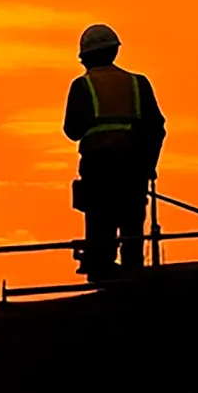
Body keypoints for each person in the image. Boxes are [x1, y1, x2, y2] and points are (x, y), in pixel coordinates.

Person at [62, 23, 166, 279]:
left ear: (85, 57)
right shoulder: (137, 83)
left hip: (99, 168)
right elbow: (157, 128)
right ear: (114, 52)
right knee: (132, 228)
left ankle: (102, 271)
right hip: (133, 167)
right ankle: (132, 276)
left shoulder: (82, 86)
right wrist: (149, 164)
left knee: (100, 226)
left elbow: (72, 130)